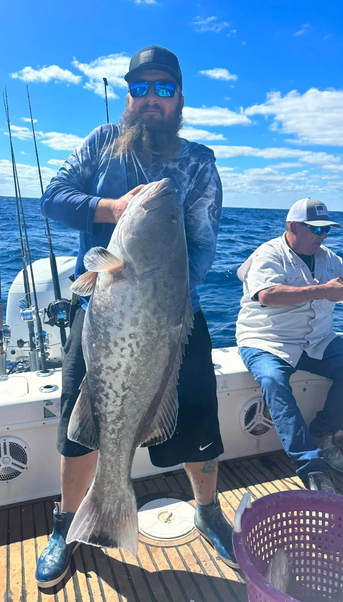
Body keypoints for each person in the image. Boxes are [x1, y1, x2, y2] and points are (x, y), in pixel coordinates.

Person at [35, 45, 235, 586]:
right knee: (80, 426)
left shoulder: (200, 161)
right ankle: (66, 524)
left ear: (179, 99)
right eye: (139, 88)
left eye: (163, 89)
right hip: (100, 315)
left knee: (198, 424)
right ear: (128, 97)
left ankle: (208, 510)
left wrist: (162, 296)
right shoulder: (102, 143)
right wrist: (113, 209)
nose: (151, 98)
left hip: (175, 321)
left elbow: (204, 243)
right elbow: (53, 197)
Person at [234, 198, 343, 493]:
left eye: (326, 230)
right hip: (267, 340)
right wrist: (323, 290)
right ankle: (310, 465)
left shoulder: (329, 257)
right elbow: (267, 295)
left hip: (317, 340)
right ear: (293, 226)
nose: (323, 236)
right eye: (316, 229)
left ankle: (323, 434)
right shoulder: (268, 253)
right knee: (273, 380)